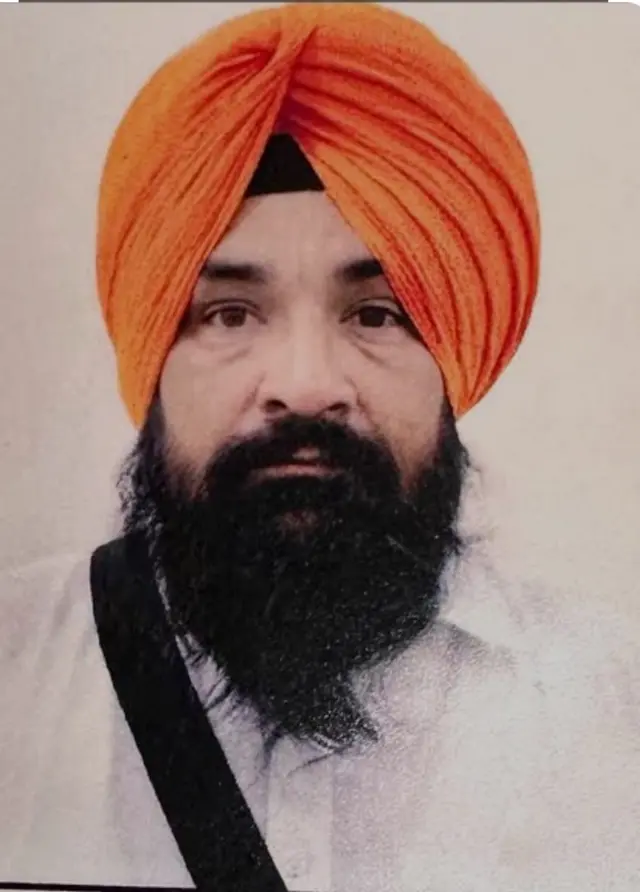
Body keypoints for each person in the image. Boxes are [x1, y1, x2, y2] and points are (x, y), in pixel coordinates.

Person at [1, 4, 638, 891]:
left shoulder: (610, 709)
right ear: (152, 352)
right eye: (229, 313)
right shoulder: (17, 676)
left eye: (376, 314)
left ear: (454, 357)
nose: (303, 384)